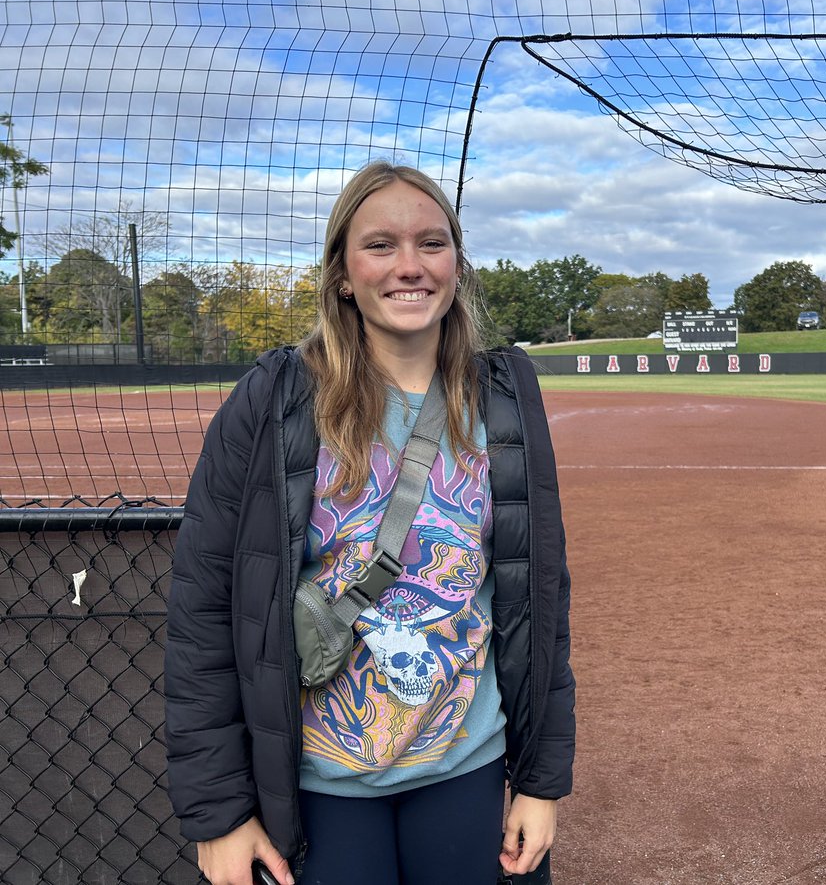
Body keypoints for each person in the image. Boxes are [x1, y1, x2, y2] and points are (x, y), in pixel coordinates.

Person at [164, 161, 576, 885]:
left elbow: (540, 596)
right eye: (380, 245)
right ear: (343, 274)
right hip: (316, 786)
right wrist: (219, 814)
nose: (409, 265)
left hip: (467, 767)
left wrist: (540, 782)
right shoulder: (274, 401)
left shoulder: (506, 396)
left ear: (456, 265)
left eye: (432, 243)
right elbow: (204, 608)